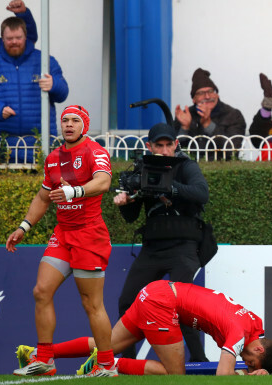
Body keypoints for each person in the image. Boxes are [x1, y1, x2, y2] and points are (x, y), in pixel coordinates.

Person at [6, 105, 117, 377]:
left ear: (84, 126)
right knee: (40, 291)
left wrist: (74, 191)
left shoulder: (95, 151)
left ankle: (106, 364)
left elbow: (103, 182)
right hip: (63, 234)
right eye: (64, 120)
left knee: (92, 305)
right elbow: (44, 197)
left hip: (90, 235)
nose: (68, 125)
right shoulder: (54, 157)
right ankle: (45, 360)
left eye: (75, 121)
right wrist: (24, 226)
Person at [16, 281, 272, 376]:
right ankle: (109, 366)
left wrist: (259, 367)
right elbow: (223, 375)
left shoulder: (254, 324)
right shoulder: (240, 335)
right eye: (250, 362)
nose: (245, 363)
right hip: (162, 304)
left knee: (105, 343)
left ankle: (42, 355)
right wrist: (248, 377)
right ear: (258, 349)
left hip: (155, 291)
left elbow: (261, 342)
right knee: (174, 374)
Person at [113, 122, 209, 363]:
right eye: (159, 145)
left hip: (184, 247)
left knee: (181, 305)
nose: (165, 150)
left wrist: (169, 187)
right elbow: (130, 217)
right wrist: (127, 200)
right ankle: (127, 363)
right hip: (153, 248)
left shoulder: (186, 165)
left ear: (176, 145)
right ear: (150, 147)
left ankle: (199, 360)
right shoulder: (141, 169)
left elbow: (202, 194)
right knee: (127, 301)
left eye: (169, 145)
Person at [0, 15, 68, 163]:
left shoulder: (45, 61)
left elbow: (63, 93)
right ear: (2, 39)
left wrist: (54, 85)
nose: (14, 42)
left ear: (26, 37)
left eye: (18, 37)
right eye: (9, 38)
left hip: (39, 146)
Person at [174, 68, 246, 160]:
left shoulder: (233, 115)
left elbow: (232, 151)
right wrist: (184, 128)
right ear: (194, 99)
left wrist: (208, 124)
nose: (207, 97)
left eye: (211, 91)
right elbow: (173, 151)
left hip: (222, 170)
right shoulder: (184, 116)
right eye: (201, 93)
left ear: (217, 95)